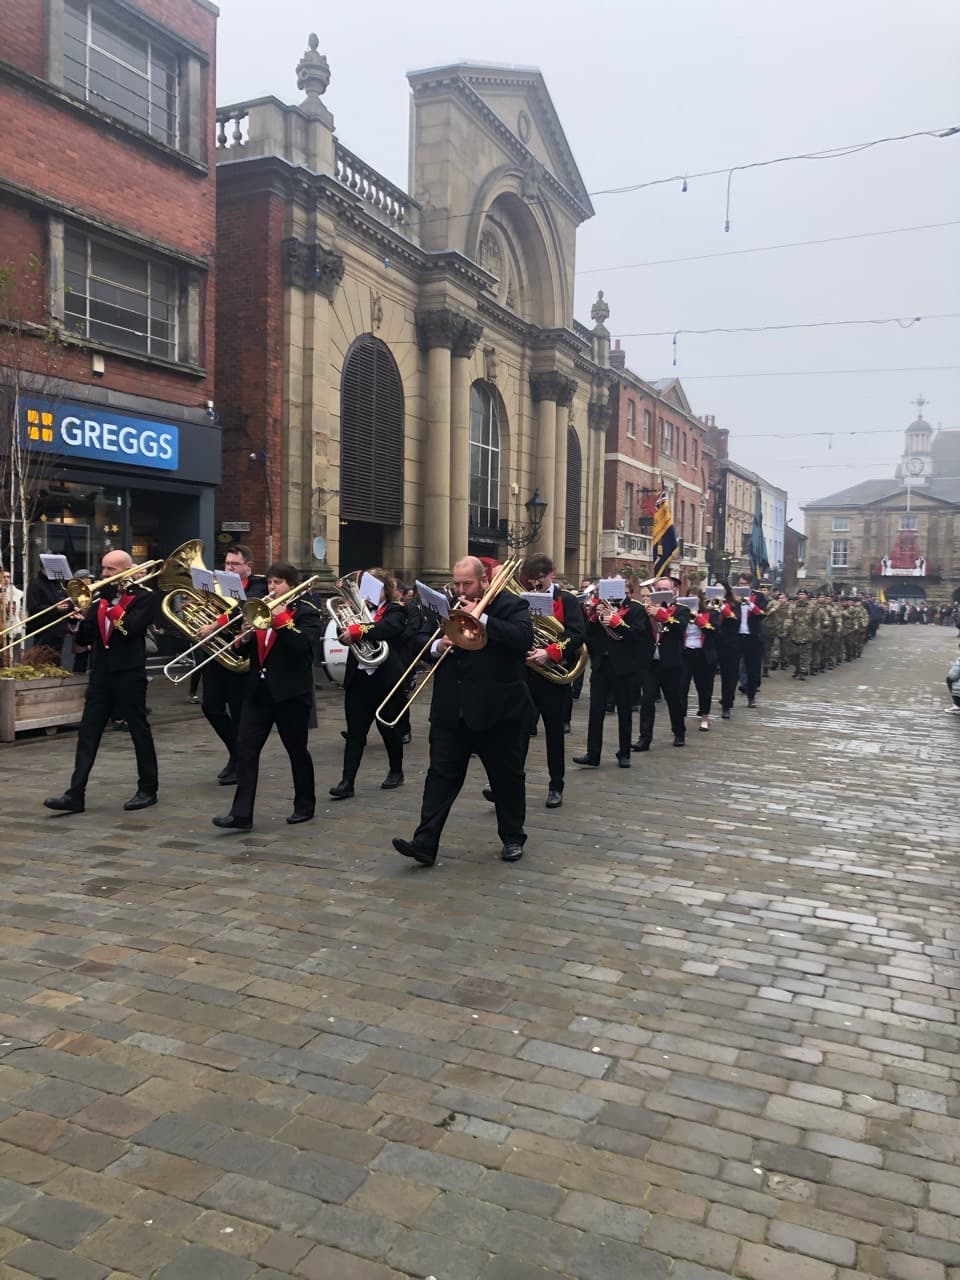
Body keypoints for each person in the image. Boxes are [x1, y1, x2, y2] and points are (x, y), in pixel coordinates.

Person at [392, 556, 534, 866]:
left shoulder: (510, 605)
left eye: (466, 583)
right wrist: (435, 647)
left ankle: (512, 837)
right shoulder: (445, 605)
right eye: (456, 583)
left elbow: (523, 639)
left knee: (506, 777)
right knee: (439, 777)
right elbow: (415, 636)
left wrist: (479, 619)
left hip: (496, 709)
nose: (460, 589)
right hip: (451, 709)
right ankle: (425, 842)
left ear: (484, 581)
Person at [43, 550, 159, 814]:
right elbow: (85, 640)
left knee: (139, 730)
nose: (104, 574)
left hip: (129, 673)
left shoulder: (145, 598)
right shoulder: (97, 600)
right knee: (88, 733)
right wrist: (77, 619)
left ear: (126, 570)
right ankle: (75, 793)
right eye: (103, 568)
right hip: (101, 674)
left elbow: (130, 629)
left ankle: (148, 788)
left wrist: (112, 605)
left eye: (111, 570)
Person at [212, 562, 321, 831]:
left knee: (296, 751)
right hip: (258, 692)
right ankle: (241, 814)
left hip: (290, 694)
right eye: (270, 582)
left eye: (278, 583)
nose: (272, 588)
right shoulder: (259, 612)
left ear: (291, 587)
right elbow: (246, 656)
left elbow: (304, 650)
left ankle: (305, 805)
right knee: (247, 751)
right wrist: (244, 639)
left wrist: (283, 620)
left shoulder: (306, 613)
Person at [329, 568, 408, 800]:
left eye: (375, 588)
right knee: (355, 733)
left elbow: (388, 629)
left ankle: (396, 771)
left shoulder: (396, 610)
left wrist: (358, 630)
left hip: (386, 679)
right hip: (359, 680)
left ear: (386, 590)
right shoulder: (355, 609)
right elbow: (341, 634)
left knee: (388, 729)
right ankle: (347, 781)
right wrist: (343, 624)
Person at [515, 553, 586, 808]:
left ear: (551, 574)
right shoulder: (522, 599)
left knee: (554, 734)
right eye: (532, 581)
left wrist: (551, 652)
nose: (536, 586)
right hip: (526, 676)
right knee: (519, 732)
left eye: (541, 580)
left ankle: (556, 786)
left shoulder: (566, 600)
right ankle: (511, 784)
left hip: (554, 677)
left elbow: (577, 634)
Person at [194, 545, 268, 786]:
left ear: (248, 566)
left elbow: (242, 609)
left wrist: (214, 625)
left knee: (238, 712)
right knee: (211, 706)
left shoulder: (259, 585)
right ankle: (236, 752)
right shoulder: (219, 584)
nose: (229, 568)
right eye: (227, 564)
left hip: (241, 657)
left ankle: (241, 763)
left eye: (234, 564)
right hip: (217, 654)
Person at [573, 578, 648, 767]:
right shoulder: (600, 607)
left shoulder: (636, 609)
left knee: (624, 711)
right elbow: (588, 636)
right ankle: (593, 753)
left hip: (623, 667)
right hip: (601, 665)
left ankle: (624, 753)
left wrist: (618, 623)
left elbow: (638, 637)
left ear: (627, 591)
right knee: (595, 711)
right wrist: (592, 619)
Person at [646, 578, 693, 745]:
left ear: (674, 590)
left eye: (665, 588)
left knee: (674, 700)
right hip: (651, 661)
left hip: (671, 661)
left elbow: (680, 627)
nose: (662, 591)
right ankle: (644, 738)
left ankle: (679, 732)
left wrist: (661, 615)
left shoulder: (682, 610)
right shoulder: (647, 609)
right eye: (658, 588)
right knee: (647, 701)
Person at [682, 590, 719, 732]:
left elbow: (714, 631)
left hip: (703, 655)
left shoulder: (711, 613)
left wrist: (697, 618)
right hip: (685, 653)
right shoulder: (681, 613)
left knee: (704, 688)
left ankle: (704, 717)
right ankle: (681, 717)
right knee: (682, 687)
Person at [25, 565, 72, 660]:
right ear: (43, 569)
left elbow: (65, 599)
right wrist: (55, 608)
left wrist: (72, 610)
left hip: (58, 629)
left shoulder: (57, 584)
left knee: (55, 658)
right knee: (41, 657)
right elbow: (33, 608)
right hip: (43, 629)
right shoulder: (35, 584)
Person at [735, 572, 766, 707]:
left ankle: (751, 696)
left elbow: (761, 614)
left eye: (746, 584)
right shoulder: (733, 596)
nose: (743, 586)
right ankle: (728, 698)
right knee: (733, 668)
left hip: (753, 636)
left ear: (751, 584)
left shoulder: (758, 596)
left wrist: (749, 604)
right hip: (736, 636)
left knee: (753, 668)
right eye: (741, 583)